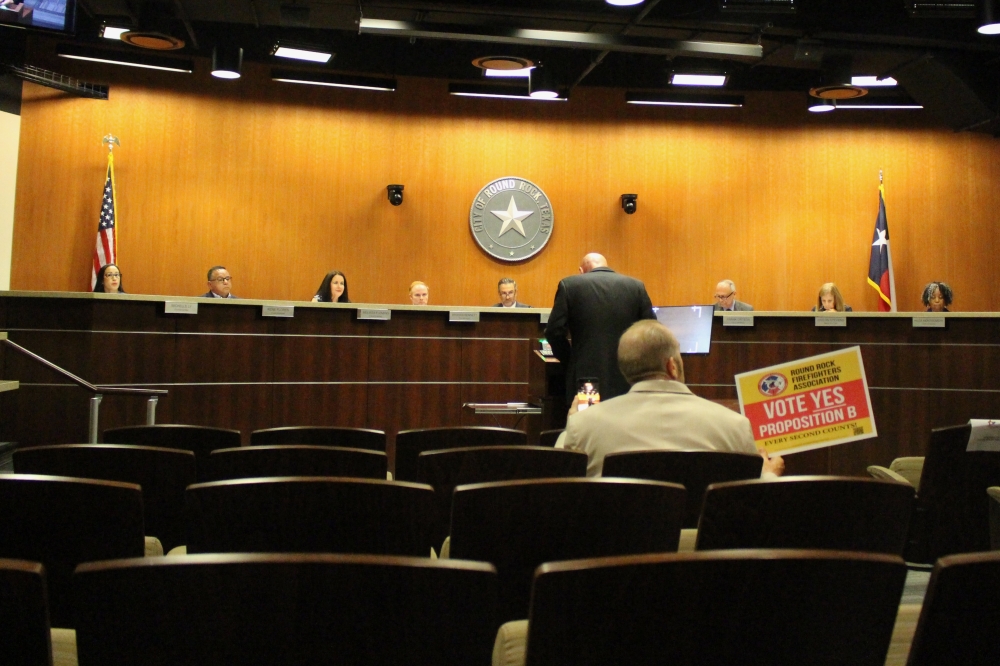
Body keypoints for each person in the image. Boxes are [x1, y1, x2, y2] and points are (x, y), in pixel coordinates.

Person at [557, 319, 784, 479]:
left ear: (626, 370)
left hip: (618, 546)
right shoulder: (735, 426)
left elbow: (565, 489)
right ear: (672, 366)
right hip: (700, 546)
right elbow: (750, 499)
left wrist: (569, 430)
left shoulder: (583, 426)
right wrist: (767, 476)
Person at [545, 252, 656, 403]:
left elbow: (554, 332)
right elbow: (652, 332)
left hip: (586, 378)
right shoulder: (636, 287)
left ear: (581, 271)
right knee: (623, 421)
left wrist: (570, 360)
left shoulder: (570, 285)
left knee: (587, 420)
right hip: (627, 377)